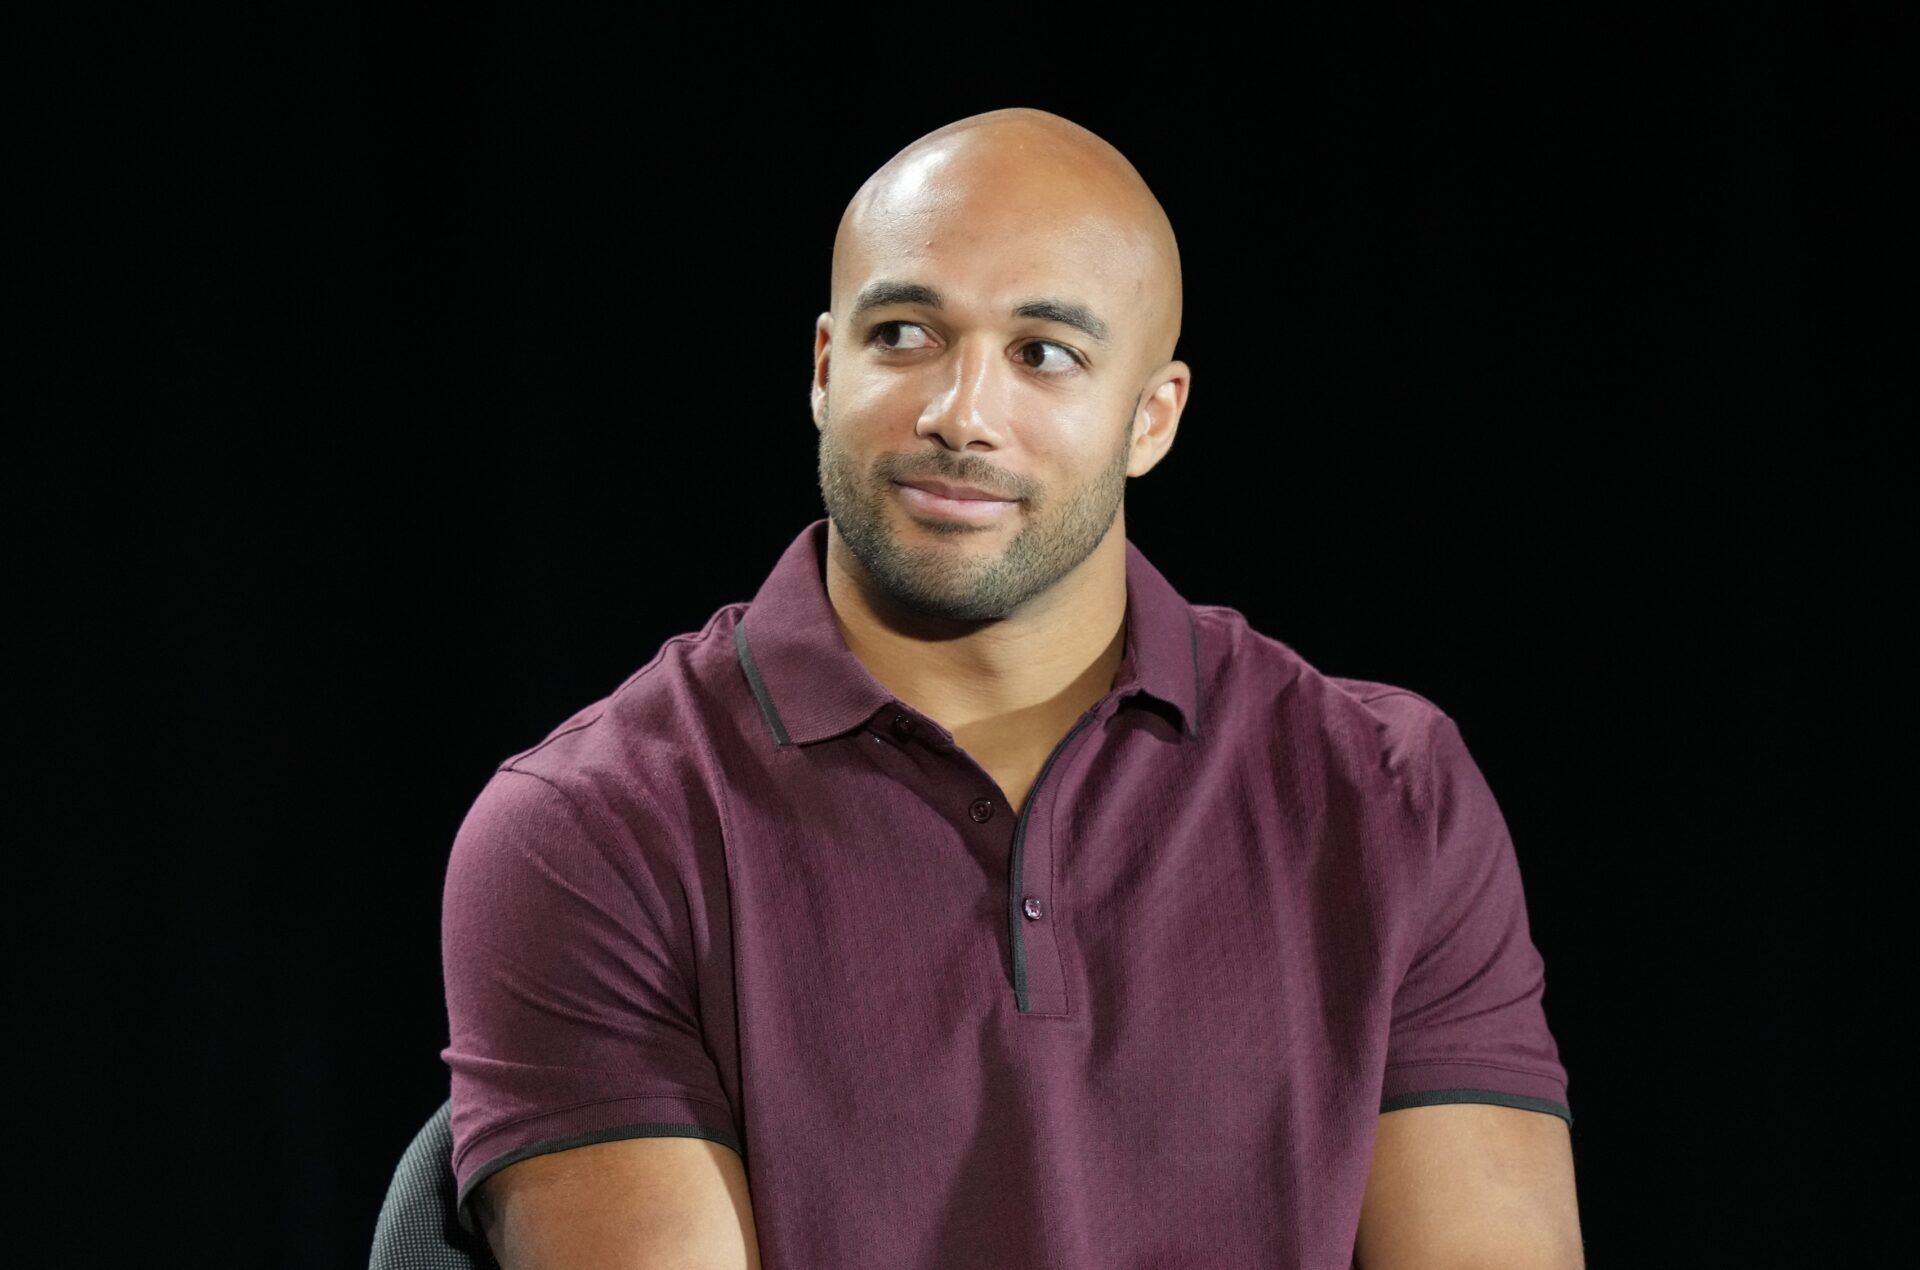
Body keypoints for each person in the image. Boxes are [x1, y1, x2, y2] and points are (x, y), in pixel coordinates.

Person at [440, 106, 1584, 1268]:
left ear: (1152, 418)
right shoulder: (591, 828)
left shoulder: (1389, 793)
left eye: (1044, 353)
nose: (960, 413)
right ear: (827, 369)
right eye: (905, 334)